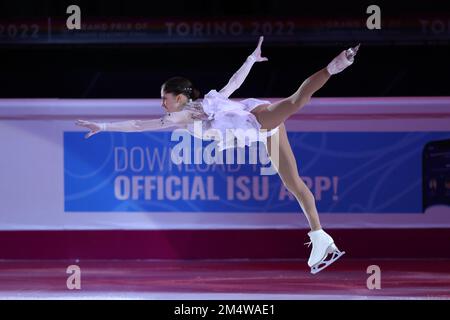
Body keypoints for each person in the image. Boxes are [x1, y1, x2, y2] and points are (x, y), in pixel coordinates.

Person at [76, 37, 359, 274]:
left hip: (257, 120)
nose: (162, 103)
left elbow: (139, 125)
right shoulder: (192, 110)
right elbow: (232, 84)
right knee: (293, 184)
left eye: (166, 98)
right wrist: (250, 59)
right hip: (263, 131)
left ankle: (338, 64)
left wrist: (102, 126)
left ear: (180, 97)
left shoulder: (187, 113)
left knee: (296, 101)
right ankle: (321, 238)